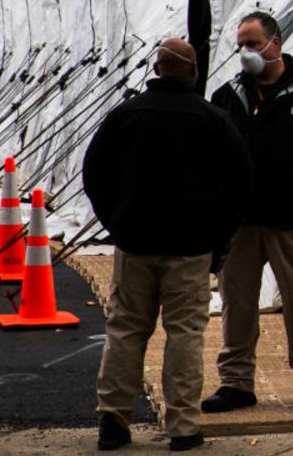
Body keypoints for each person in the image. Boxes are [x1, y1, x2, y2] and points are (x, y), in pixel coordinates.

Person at [83, 39, 252, 452]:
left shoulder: (126, 116)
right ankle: (182, 426)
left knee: (125, 329)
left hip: (135, 243)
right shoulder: (211, 119)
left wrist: (116, 223)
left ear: (156, 70)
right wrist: (218, 238)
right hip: (191, 248)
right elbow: (241, 183)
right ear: (194, 72)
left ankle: (113, 421)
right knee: (185, 335)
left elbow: (95, 173)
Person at [202, 11, 293, 414]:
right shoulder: (228, 96)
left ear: (275, 43)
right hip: (241, 223)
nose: (246, 52)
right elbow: (211, 152)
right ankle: (236, 382)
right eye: (241, 45)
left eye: (253, 43)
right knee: (237, 303)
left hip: (292, 220)